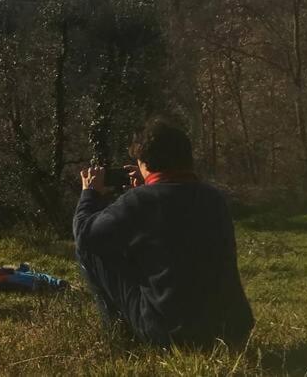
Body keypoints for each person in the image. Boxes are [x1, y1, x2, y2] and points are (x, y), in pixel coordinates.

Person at [74, 118, 254, 349]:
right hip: (230, 330)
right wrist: (145, 188)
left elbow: (85, 234)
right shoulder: (214, 198)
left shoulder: (138, 202)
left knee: (89, 251)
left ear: (145, 163)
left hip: (172, 334)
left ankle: (119, 336)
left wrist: (89, 193)